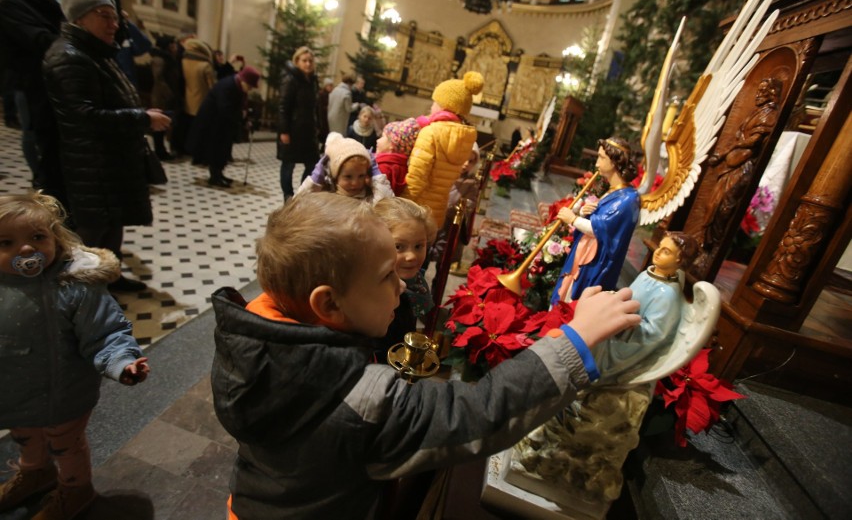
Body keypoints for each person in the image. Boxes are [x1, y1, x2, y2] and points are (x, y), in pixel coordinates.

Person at [210, 192, 640, 519]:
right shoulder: (360, 399)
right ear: (329, 305)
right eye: (385, 276)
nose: (400, 286)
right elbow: (480, 413)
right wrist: (575, 339)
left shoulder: (255, 335)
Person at [0, 192, 150, 520]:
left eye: (37, 238)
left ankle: (75, 488)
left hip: (64, 394)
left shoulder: (74, 285)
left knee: (65, 444)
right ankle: (35, 473)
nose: (25, 250)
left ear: (56, 237)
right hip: (13, 394)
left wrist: (122, 362)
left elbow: (106, 332)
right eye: (6, 243)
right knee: (25, 435)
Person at [42, 0, 171, 293]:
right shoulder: (69, 57)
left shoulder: (95, 52)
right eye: (105, 16)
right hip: (90, 163)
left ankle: (110, 277)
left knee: (114, 224)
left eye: (115, 17)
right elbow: (84, 116)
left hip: (109, 161)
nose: (114, 24)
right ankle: (81, 293)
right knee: (93, 232)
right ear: (80, 18)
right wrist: (142, 118)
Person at [0, 0, 66, 206]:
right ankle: (47, 219)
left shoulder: (55, 9)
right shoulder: (11, 8)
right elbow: (42, 42)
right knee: (44, 154)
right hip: (32, 90)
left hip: (56, 92)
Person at [593, 231, 699, 384]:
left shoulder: (667, 294)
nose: (658, 252)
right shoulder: (646, 275)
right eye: (660, 247)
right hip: (620, 326)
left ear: (679, 260)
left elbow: (656, 332)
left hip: (629, 344)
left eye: (666, 252)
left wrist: (622, 327)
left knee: (597, 343)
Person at [551, 137, 640, 304]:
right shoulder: (614, 191)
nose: (597, 164)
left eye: (601, 158)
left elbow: (602, 229)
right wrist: (585, 212)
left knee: (575, 297)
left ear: (614, 161)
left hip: (594, 262)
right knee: (566, 291)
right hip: (584, 252)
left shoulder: (627, 199)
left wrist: (573, 219)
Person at [701, 77, 782, 254]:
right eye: (759, 90)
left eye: (763, 91)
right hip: (733, 163)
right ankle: (704, 242)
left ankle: (711, 248)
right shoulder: (757, 112)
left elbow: (755, 140)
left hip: (742, 167)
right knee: (712, 205)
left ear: (771, 94)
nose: (758, 94)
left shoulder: (768, 115)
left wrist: (727, 150)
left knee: (724, 207)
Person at [403, 71, 484, 228]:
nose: (432, 106)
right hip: (437, 210)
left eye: (434, 102)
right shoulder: (464, 137)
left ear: (444, 105)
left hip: (416, 209)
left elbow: (417, 177)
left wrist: (402, 205)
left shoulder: (431, 132)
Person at [374, 197, 438, 353]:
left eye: (418, 246)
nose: (411, 256)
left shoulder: (415, 284)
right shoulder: (376, 293)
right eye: (398, 247)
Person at [188, 67, 261, 187]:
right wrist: (241, 116)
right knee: (215, 150)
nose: (250, 89)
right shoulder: (227, 86)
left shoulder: (237, 86)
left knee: (223, 149)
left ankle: (219, 174)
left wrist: (244, 119)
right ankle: (215, 177)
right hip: (212, 122)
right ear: (243, 80)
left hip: (223, 123)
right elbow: (225, 108)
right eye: (249, 86)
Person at [297, 133, 394, 204]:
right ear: (335, 176)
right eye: (348, 176)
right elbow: (295, 208)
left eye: (361, 176)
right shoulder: (325, 196)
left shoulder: (368, 199)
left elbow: (387, 208)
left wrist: (377, 177)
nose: (355, 183)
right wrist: (312, 184)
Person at [277, 46, 320, 200]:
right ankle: (288, 195)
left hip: (307, 131)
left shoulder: (313, 80)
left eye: (310, 61)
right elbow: (283, 107)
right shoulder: (290, 79)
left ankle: (301, 193)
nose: (308, 64)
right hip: (292, 129)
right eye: (304, 61)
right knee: (288, 165)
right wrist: (284, 131)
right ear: (297, 61)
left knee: (312, 164)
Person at [179, 38, 215, 159]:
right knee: (200, 130)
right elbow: (212, 86)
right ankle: (198, 152)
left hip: (188, 98)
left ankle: (185, 149)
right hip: (202, 101)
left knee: (188, 127)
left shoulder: (183, 61)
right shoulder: (205, 65)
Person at [149, 35, 181, 159]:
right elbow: (159, 79)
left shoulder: (168, 58)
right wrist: (169, 94)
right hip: (161, 97)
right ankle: (159, 151)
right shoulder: (159, 59)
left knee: (164, 125)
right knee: (159, 126)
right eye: (173, 44)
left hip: (166, 95)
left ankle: (161, 150)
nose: (176, 47)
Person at [375, 118, 420, 196]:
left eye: (382, 137)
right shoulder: (402, 167)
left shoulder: (383, 167)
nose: (377, 140)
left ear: (392, 144)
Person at [317, 76, 334, 141]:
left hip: (327, 118)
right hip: (322, 118)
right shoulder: (321, 94)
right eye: (329, 86)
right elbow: (320, 107)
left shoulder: (330, 94)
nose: (331, 87)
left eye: (332, 86)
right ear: (326, 86)